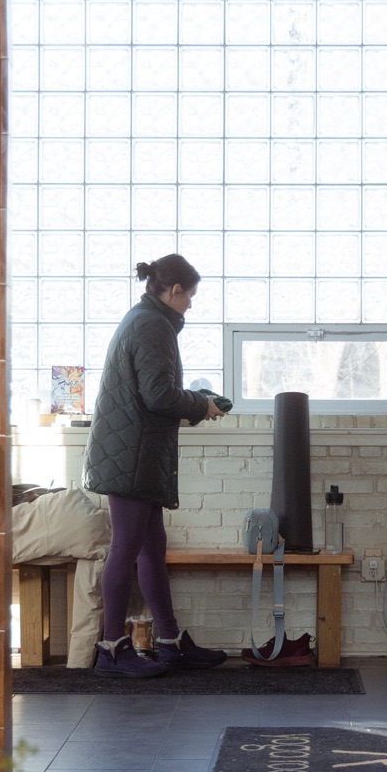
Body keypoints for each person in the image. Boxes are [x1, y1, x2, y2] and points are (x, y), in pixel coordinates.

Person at [84, 254, 227, 677]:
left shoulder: (146, 320)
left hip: (136, 450)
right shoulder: (152, 325)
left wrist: (199, 404)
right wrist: (202, 405)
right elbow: (158, 396)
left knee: (151, 548)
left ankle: (168, 642)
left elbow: (155, 391)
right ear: (174, 290)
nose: (191, 305)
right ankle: (111, 649)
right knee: (127, 547)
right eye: (190, 297)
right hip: (132, 453)